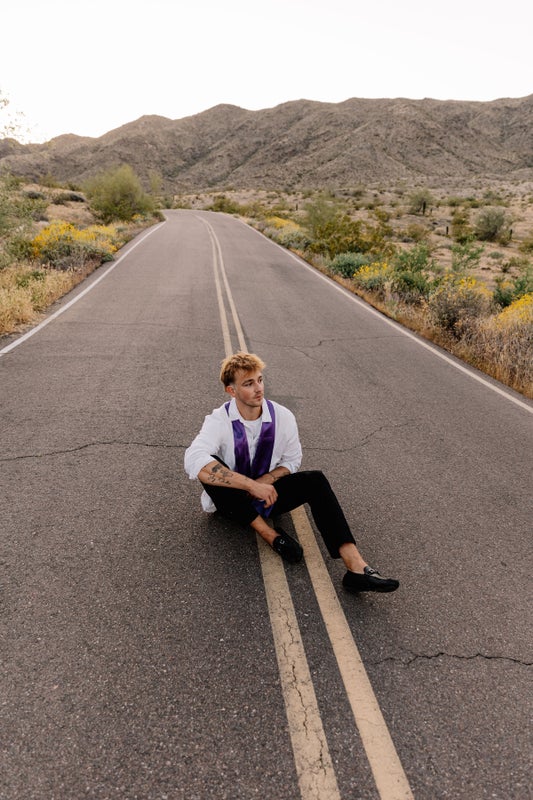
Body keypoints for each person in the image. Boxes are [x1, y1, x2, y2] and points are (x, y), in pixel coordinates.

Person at [184, 352, 399, 594]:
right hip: (231, 502)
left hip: (269, 496)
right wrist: (250, 485)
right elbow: (193, 457)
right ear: (231, 391)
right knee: (207, 466)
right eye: (248, 383)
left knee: (316, 480)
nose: (258, 388)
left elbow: (292, 460)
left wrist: (266, 481)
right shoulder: (219, 420)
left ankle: (356, 567)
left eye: (260, 380)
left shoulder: (282, 417)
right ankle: (270, 535)